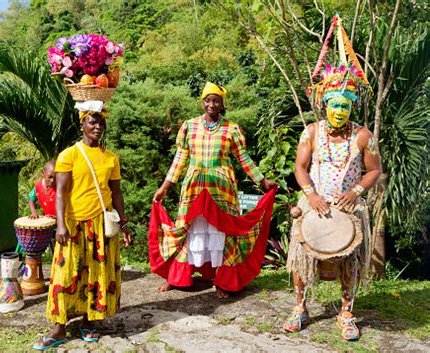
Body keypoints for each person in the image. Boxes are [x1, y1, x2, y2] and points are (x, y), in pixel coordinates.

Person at [150, 82, 277, 299]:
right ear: (202, 102)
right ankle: (177, 277)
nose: (212, 104)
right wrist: (165, 186)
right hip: (194, 186)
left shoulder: (231, 128)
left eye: (216, 100)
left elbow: (242, 158)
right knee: (188, 228)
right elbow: (180, 159)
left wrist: (262, 180)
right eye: (208, 100)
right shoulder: (189, 126)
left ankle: (223, 280)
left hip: (222, 189)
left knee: (223, 230)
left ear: (222, 104)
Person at [283, 64, 381, 340]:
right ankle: (300, 307)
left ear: (352, 107)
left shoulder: (364, 136)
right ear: (324, 104)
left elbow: (374, 170)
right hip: (314, 204)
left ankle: (346, 311)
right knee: (302, 257)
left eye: (345, 106)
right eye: (334, 104)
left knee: (350, 261)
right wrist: (311, 195)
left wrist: (356, 192)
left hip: (349, 207)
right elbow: (300, 167)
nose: (339, 111)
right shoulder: (311, 133)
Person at [33, 104, 132, 350]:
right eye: (92, 122)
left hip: (101, 225)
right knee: (65, 275)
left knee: (97, 275)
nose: (98, 126)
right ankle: (58, 328)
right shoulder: (69, 155)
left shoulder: (111, 158)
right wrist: (61, 225)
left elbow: (117, 192)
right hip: (74, 225)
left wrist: (124, 222)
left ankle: (89, 322)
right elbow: (60, 194)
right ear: (82, 124)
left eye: (101, 122)